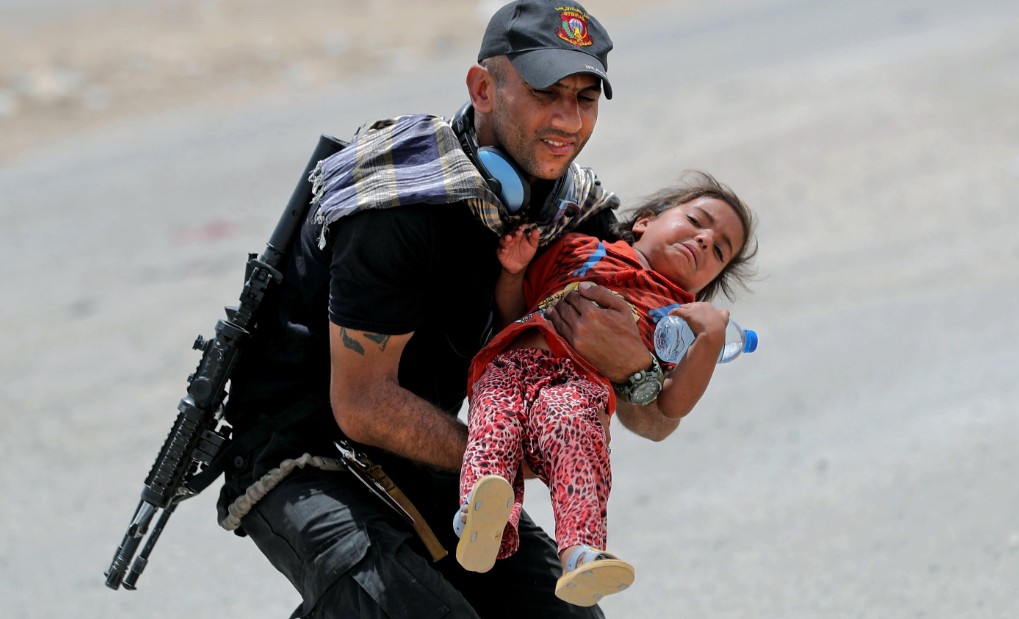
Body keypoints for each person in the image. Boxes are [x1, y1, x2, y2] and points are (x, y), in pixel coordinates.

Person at [214, 1, 676, 617]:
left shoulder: (570, 213)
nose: (568, 119)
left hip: (422, 443)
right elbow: (361, 404)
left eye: (586, 98)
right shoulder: (397, 205)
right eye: (546, 93)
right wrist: (509, 454)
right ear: (484, 88)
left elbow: (654, 421)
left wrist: (639, 369)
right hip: (300, 451)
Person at [452, 172, 758, 607]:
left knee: (578, 438)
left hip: (578, 388)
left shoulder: (676, 320)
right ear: (645, 222)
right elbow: (512, 310)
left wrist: (708, 340)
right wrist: (513, 271)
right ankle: (482, 518)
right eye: (696, 220)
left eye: (720, 250)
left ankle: (581, 553)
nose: (707, 240)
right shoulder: (579, 248)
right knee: (494, 422)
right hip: (512, 363)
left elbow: (670, 406)